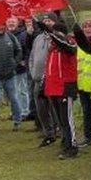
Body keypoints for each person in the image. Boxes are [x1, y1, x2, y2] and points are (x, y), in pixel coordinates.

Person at [37, 18, 79, 160]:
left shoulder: (69, 44)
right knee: (61, 120)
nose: (53, 36)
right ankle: (65, 142)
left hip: (65, 87)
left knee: (67, 119)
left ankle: (72, 146)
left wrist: (49, 31)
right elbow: (47, 69)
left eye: (56, 32)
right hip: (53, 87)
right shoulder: (52, 49)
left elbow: (65, 44)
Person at [26, 13, 58, 146]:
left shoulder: (56, 37)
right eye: (44, 20)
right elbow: (32, 56)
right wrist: (33, 71)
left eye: (49, 20)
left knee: (54, 108)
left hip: (51, 79)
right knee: (41, 109)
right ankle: (48, 133)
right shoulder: (38, 38)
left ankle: (59, 130)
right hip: (38, 79)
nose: (46, 23)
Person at [75, 19, 91, 147]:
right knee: (86, 112)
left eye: (90, 26)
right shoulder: (79, 45)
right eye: (85, 26)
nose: (87, 29)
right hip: (83, 85)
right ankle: (88, 137)